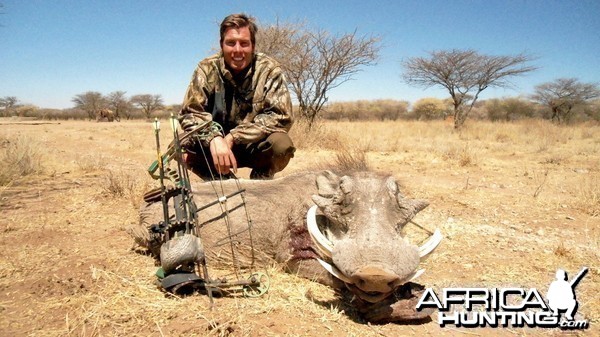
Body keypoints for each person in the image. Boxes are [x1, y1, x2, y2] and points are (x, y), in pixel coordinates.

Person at [178, 13, 295, 180]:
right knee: (180, 146)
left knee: (282, 145)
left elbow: (281, 116)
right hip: (215, 149)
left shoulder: (269, 70)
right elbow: (190, 113)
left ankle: (261, 182)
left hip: (253, 145)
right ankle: (222, 180)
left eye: (244, 43)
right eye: (231, 43)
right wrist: (214, 137)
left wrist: (234, 136)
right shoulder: (206, 68)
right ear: (221, 45)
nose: (238, 50)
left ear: (253, 46)